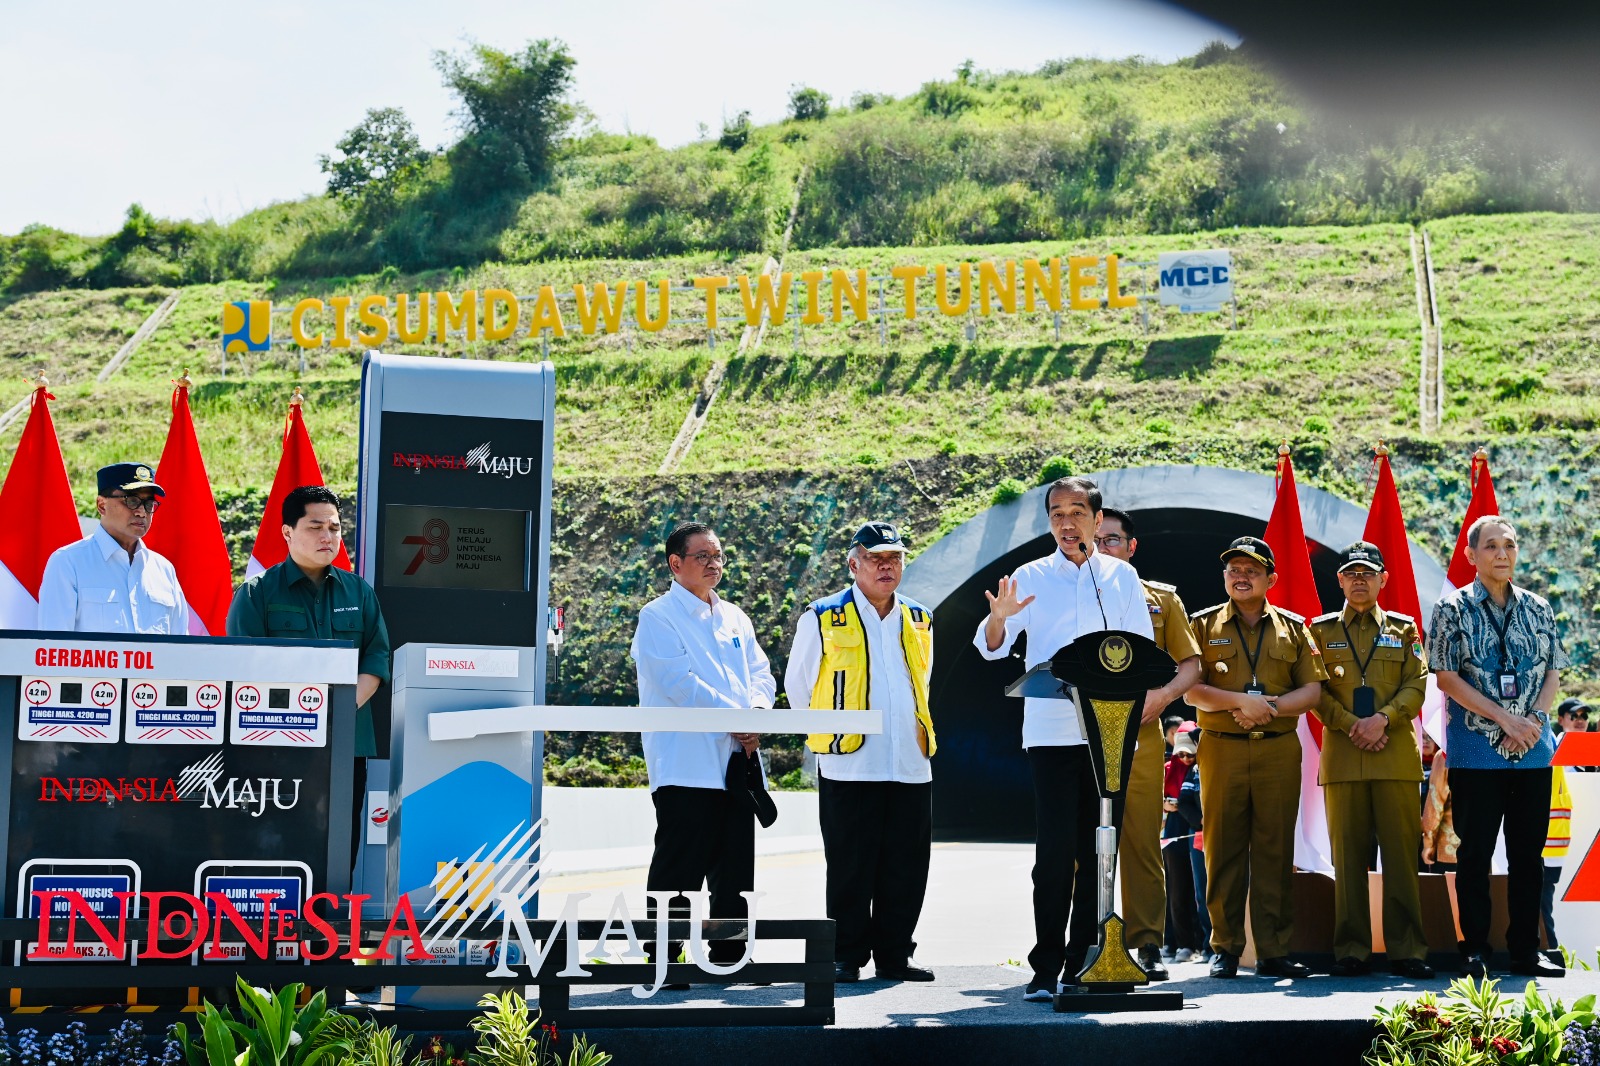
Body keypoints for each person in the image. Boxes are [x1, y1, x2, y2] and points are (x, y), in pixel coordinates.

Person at [971, 476, 1155, 1002]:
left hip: (1109, 734)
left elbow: (1142, 650)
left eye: (1077, 512)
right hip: (1052, 733)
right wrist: (998, 620)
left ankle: (1086, 960)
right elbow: (989, 649)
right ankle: (1045, 965)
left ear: (1099, 521)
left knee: (1100, 852)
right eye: (1056, 513)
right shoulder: (1031, 576)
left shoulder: (1121, 578)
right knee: (1054, 854)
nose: (1066, 522)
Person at [785, 521, 936, 984]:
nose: (886, 566)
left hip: (909, 763)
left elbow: (923, 684)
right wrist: (826, 740)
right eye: (875, 557)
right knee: (851, 866)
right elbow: (799, 685)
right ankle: (846, 956)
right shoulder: (823, 616)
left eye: (894, 557)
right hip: (850, 763)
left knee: (906, 867)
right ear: (854, 564)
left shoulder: (919, 617)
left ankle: (895, 956)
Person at [1427, 515, 1568, 979]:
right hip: (1477, 749)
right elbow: (1446, 676)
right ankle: (1476, 950)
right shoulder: (1451, 609)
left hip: (1532, 747)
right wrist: (1503, 717)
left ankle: (1526, 951)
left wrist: (1535, 720)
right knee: (1476, 854)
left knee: (1529, 854)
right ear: (1471, 555)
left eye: (1509, 544)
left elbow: (1552, 670)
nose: (1502, 553)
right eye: (1491, 546)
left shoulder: (1540, 608)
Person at [632, 521, 775, 978]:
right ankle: (663, 961)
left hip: (736, 761)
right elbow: (678, 684)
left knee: (735, 868)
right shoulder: (657, 616)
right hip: (685, 766)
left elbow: (761, 673)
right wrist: (738, 719)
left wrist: (754, 710)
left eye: (718, 556)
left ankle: (730, 959)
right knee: (679, 867)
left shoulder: (736, 616)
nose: (714, 564)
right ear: (676, 564)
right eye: (703, 557)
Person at [1186, 536, 1327, 979]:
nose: (1241, 577)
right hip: (1222, 749)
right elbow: (1189, 688)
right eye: (1233, 570)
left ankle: (1273, 949)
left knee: (1274, 848)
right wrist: (1238, 703)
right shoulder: (1201, 625)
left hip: (1277, 749)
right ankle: (1224, 947)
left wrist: (1267, 708)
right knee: (1223, 848)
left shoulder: (1294, 627)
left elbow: (1312, 690)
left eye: (1251, 570)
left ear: (1271, 578)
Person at [1308, 541, 1433, 979]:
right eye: (1351, 573)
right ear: (1339, 579)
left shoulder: (1405, 629)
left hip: (1394, 755)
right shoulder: (1319, 631)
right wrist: (1349, 724)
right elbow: (1314, 691)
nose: (1359, 580)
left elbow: (1416, 687)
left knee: (1401, 857)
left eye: (1368, 572)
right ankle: (1352, 950)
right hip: (1343, 756)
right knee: (1348, 859)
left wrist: (1380, 720)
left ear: (1384, 579)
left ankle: (1407, 950)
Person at [1094, 507, 1203, 980]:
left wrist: (1161, 699)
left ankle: (1146, 944)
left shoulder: (1159, 599)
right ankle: (1087, 941)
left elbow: (1190, 665)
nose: (1102, 550)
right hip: (1081, 734)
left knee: (1140, 841)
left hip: (1139, 733)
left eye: (1113, 541)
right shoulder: (1068, 594)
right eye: (1094, 542)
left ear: (1131, 547)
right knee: (1085, 844)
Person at [226, 485, 391, 757]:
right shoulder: (256, 593)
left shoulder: (359, 591)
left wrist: (341, 709)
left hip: (347, 742)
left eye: (334, 528)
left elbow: (376, 657)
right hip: (277, 743)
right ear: (287, 532)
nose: (327, 537)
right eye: (315, 528)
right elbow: (244, 666)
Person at [38, 462, 191, 634]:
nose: (142, 512)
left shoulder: (163, 569)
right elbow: (54, 650)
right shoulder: (68, 563)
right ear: (102, 505)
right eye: (132, 501)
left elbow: (180, 647)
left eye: (149, 504)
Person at [1541, 697, 1589, 962]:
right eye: (1574, 715)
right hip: (1554, 842)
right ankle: (1551, 949)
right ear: (1561, 720)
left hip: (1570, 842)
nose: (1580, 720)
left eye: (1584, 715)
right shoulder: (1552, 746)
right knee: (1546, 899)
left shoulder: (1594, 748)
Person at [1161, 729, 1203, 962]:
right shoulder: (1168, 769)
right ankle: (1176, 943)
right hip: (1174, 834)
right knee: (1176, 890)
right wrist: (1165, 804)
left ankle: (1199, 944)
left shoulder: (1201, 768)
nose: (1186, 759)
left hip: (1196, 830)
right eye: (1182, 754)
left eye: (1191, 754)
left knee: (1199, 890)